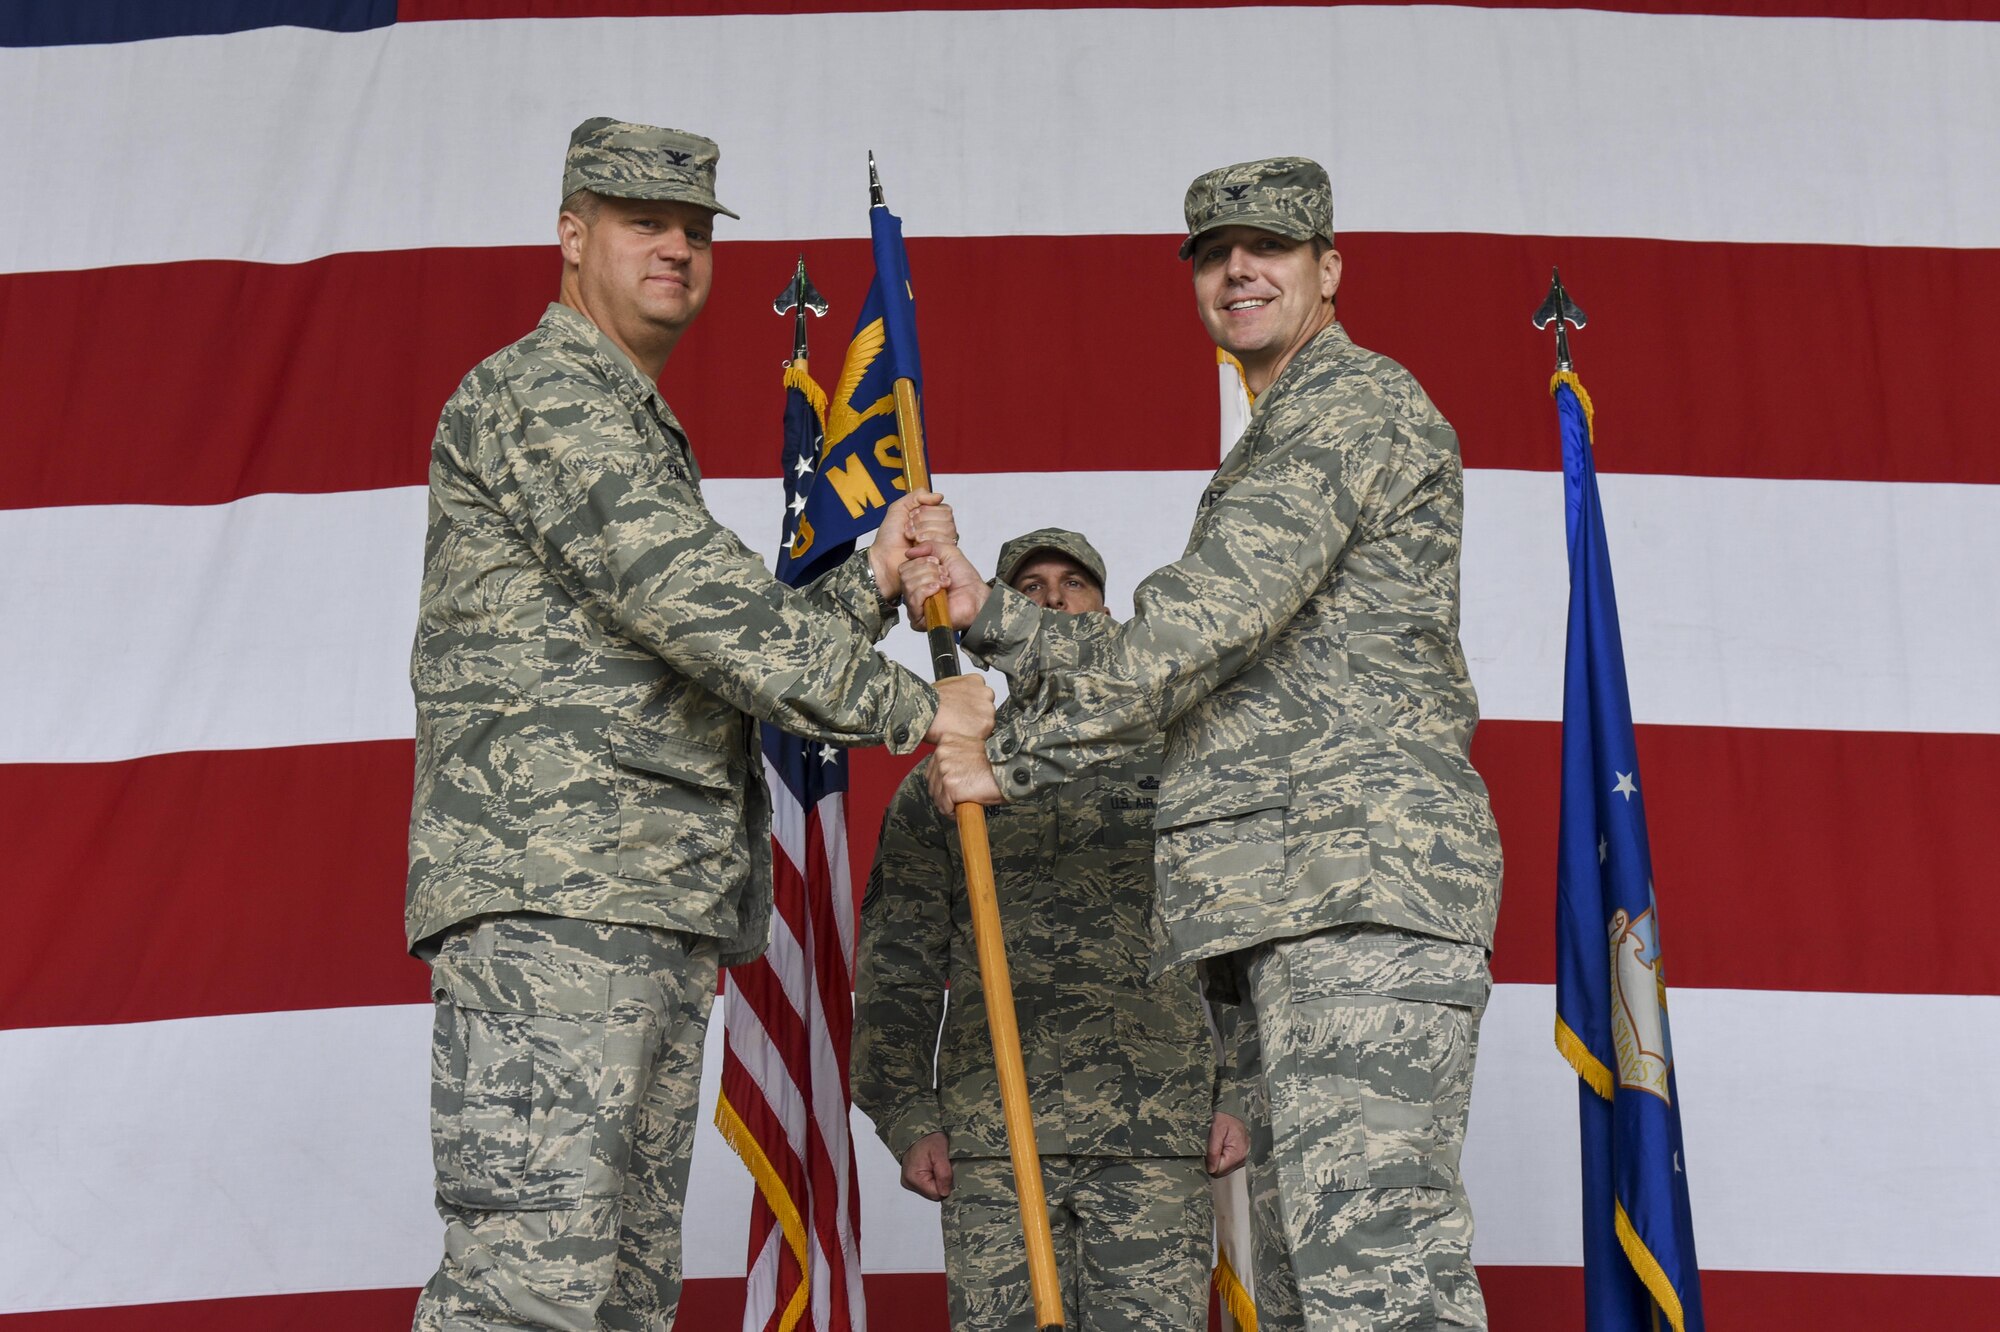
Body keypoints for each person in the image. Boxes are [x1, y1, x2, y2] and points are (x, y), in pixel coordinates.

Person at [404, 116, 993, 1332]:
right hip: (555, 903)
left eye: (690, 228)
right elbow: (702, 608)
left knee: (614, 1296)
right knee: (531, 1293)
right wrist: (917, 710)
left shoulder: (622, 410)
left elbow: (678, 652)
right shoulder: (543, 394)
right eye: (640, 223)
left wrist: (867, 580)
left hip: (632, 906)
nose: (673, 248)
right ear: (573, 237)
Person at [911, 158, 1503, 1331]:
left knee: (1373, 1270)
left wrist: (1008, 761)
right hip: (1289, 904)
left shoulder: (1349, 407)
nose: (1239, 270)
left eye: (1270, 248)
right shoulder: (1277, 432)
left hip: (1356, 889)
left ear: (1326, 269)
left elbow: (1196, 630)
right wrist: (988, 613)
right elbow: (1199, 653)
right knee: (1301, 1284)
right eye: (1214, 252)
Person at [852, 529, 1249, 1332]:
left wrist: (1243, 1090)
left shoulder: (1178, 767)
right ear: (990, 615)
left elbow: (1235, 946)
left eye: (1074, 584)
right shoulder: (949, 778)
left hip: (1153, 1130)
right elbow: (897, 964)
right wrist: (907, 1113)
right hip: (997, 1135)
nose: (1052, 597)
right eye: (1027, 586)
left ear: (1104, 610)